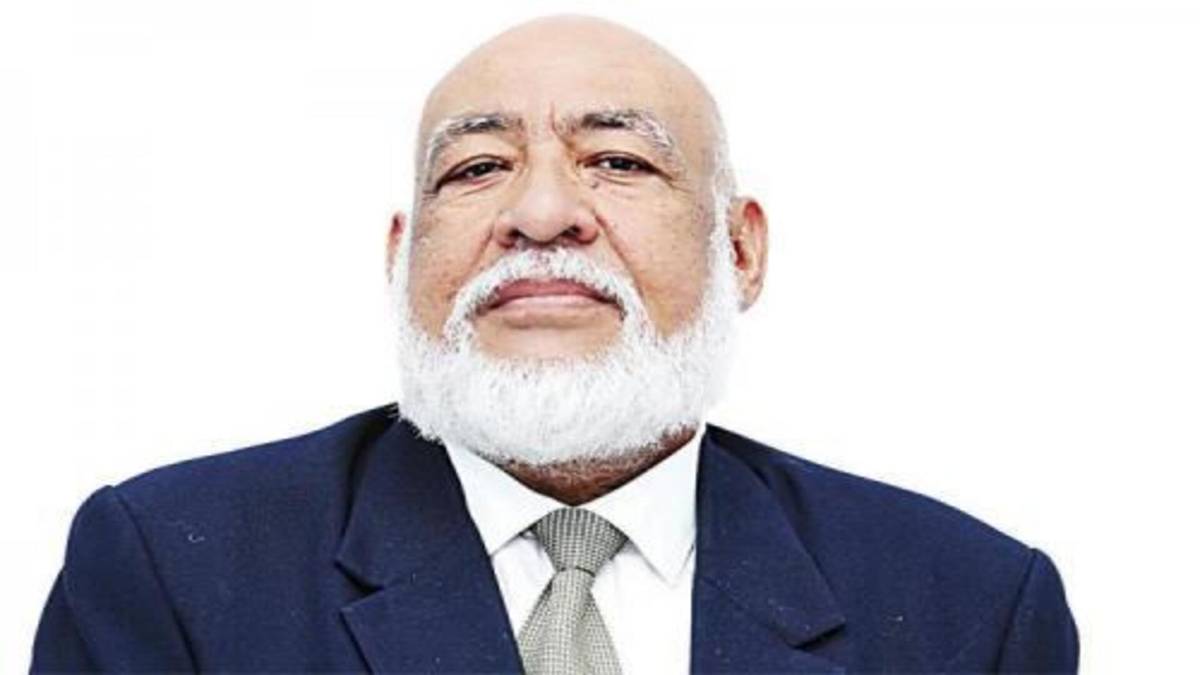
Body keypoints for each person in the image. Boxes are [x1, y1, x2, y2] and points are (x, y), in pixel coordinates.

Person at [31, 14, 1078, 674]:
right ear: (401, 259)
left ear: (741, 250)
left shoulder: (968, 607)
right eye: (476, 169)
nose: (540, 213)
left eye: (618, 161)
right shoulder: (172, 569)